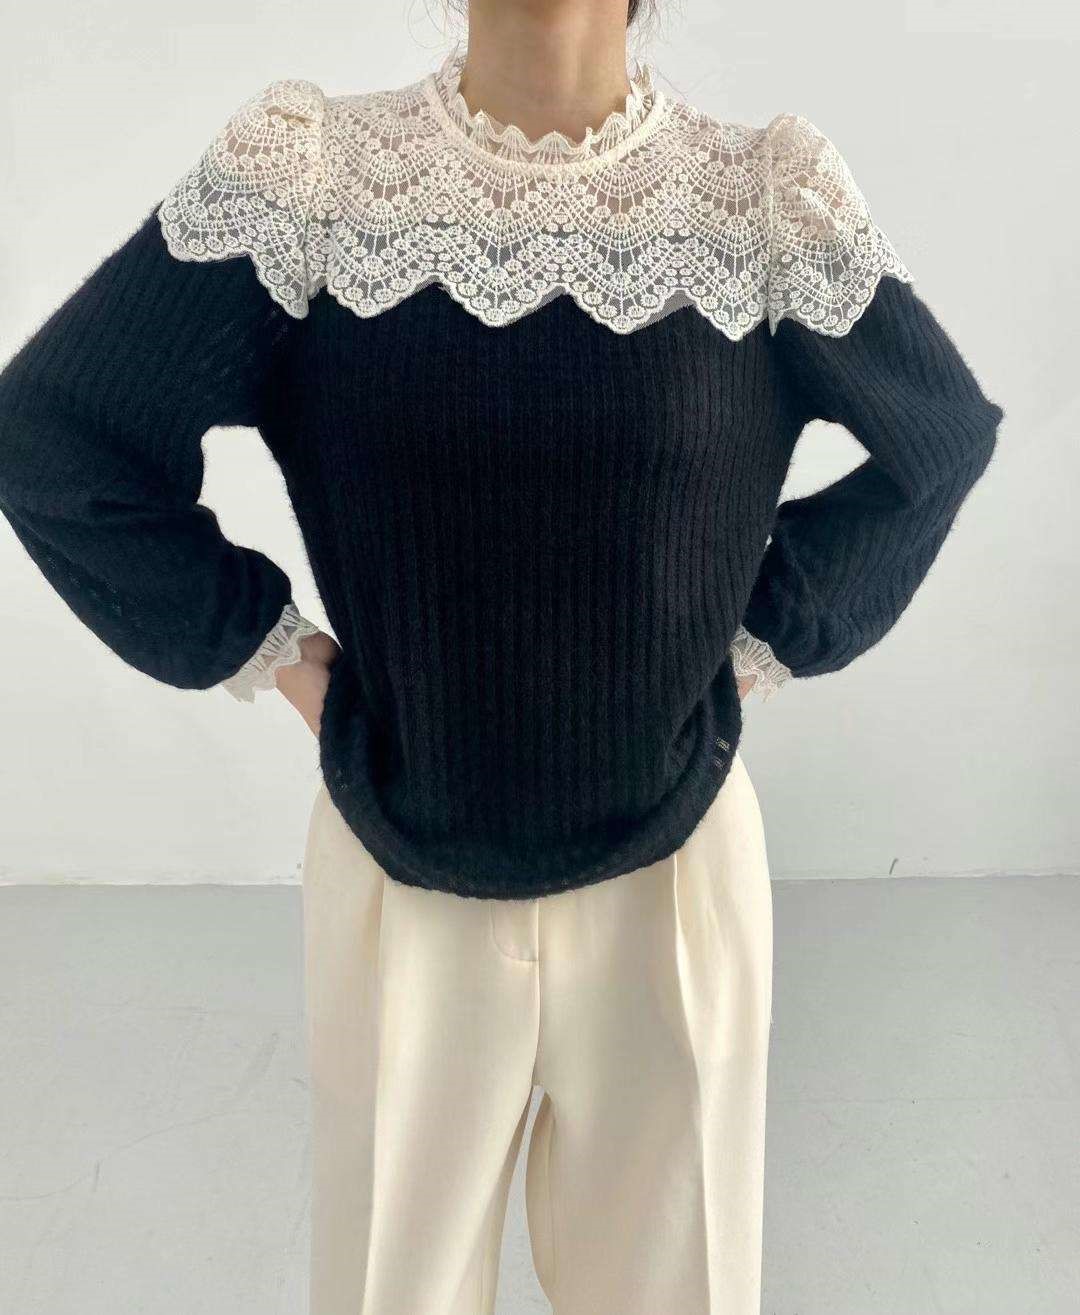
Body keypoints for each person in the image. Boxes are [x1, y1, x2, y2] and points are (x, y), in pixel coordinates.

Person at [0, 1, 1004, 1311]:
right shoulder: (314, 181)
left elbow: (940, 439)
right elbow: (55, 436)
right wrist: (275, 655)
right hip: (400, 854)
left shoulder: (759, 197)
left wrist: (757, 642)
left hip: (678, 871)